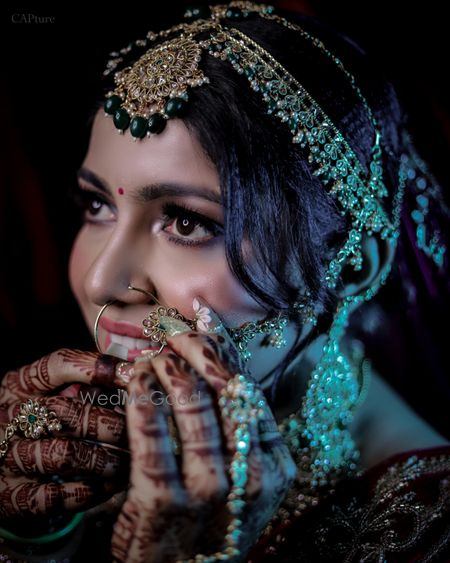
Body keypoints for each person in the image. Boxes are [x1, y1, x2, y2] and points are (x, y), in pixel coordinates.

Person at [1, 1, 450, 561]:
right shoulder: (72, 445)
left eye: (187, 223)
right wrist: (33, 537)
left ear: (351, 267)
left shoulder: (427, 530)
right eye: (98, 205)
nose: (100, 281)